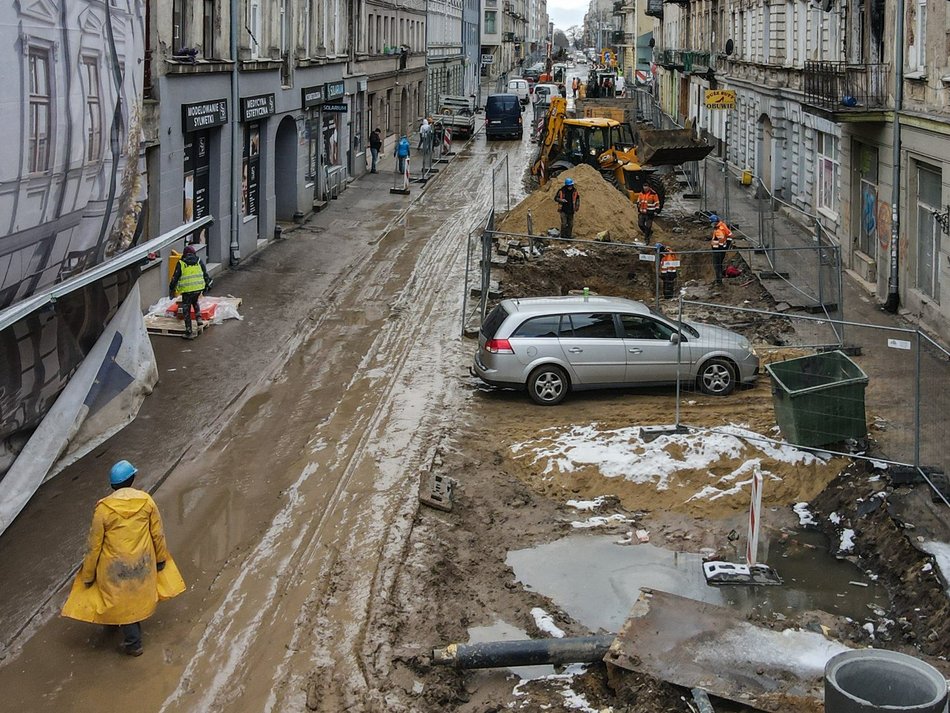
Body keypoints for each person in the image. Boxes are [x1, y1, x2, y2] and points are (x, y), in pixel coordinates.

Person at [61, 460, 185, 656]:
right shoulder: (145, 501)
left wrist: (88, 573)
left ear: (112, 485)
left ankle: (133, 643)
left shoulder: (104, 509)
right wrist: (160, 558)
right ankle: (127, 636)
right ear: (133, 479)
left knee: (118, 598)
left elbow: (94, 545)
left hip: (113, 567)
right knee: (134, 598)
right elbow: (157, 533)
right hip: (142, 562)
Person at [169, 244, 212, 339]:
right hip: (198, 288)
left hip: (187, 290)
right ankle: (199, 318)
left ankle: (189, 331)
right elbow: (205, 274)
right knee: (195, 301)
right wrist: (206, 286)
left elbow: (175, 277)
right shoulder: (199, 261)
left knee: (186, 309)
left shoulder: (181, 263)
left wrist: (172, 288)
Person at [708, 213, 734, 285]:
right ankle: (719, 278)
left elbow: (721, 240)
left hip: (718, 250)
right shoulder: (722, 225)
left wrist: (721, 247)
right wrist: (727, 245)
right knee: (719, 264)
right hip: (722, 249)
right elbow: (729, 235)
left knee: (717, 265)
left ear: (714, 222)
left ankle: (719, 281)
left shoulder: (719, 231)